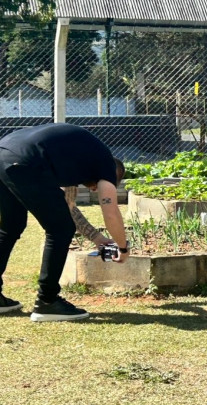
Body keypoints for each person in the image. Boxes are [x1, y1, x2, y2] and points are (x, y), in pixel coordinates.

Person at [0, 123, 129, 322]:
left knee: (11, 226)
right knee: (59, 229)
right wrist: (122, 248)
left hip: (5, 154)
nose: (96, 190)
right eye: (106, 184)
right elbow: (111, 212)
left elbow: (69, 209)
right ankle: (47, 301)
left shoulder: (76, 160)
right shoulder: (106, 165)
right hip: (25, 162)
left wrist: (99, 239)